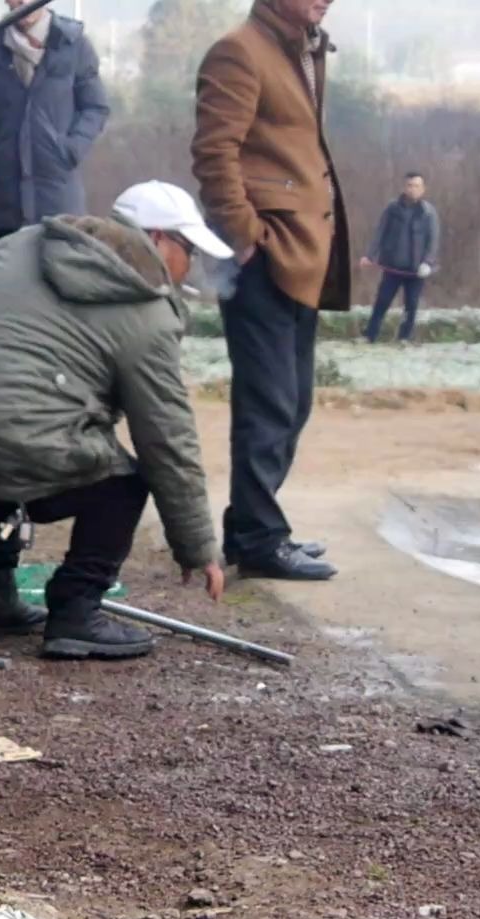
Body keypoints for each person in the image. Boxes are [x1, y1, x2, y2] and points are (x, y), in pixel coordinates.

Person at [0, 182, 229, 661]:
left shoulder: (21, 242)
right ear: (157, 239)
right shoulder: (146, 309)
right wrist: (196, 546)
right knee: (123, 485)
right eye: (188, 249)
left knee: (2, 439)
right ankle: (76, 609)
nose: (189, 264)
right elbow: (167, 439)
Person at [192, 0, 350, 583]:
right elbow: (214, 152)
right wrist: (243, 235)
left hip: (303, 250)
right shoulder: (240, 50)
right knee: (268, 402)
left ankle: (254, 528)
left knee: (295, 399)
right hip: (265, 253)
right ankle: (260, 539)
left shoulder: (301, 46)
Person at [0, 0, 110, 245]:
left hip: (60, 203)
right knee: (7, 280)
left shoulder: (72, 43)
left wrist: (70, 150)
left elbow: (95, 107)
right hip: (6, 205)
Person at [361, 172, 440, 344]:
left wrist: (428, 262)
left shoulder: (428, 213)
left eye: (417, 186)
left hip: (416, 270)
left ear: (423, 189)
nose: (412, 189)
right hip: (393, 266)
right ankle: (370, 335)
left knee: (411, 305)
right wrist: (369, 255)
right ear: (404, 187)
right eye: (409, 185)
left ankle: (404, 337)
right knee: (382, 302)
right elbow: (380, 233)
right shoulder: (392, 209)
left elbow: (433, 240)